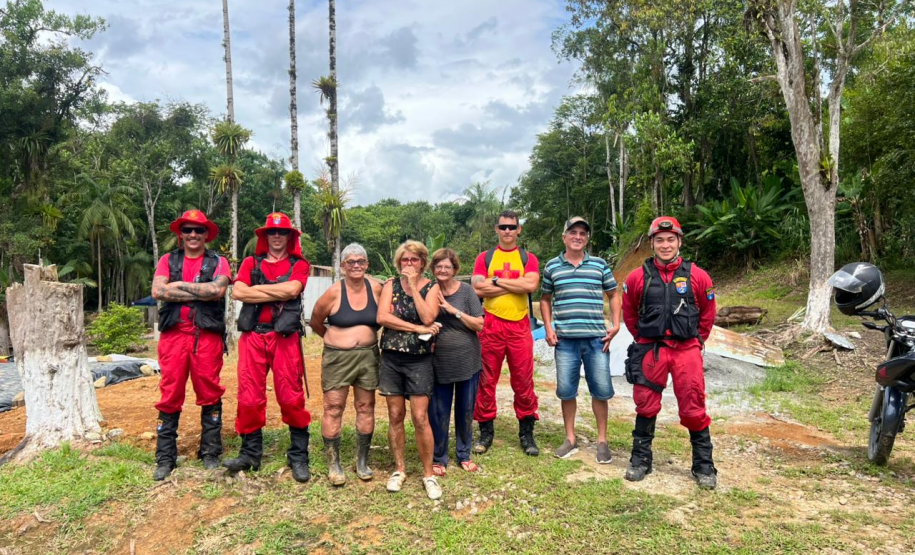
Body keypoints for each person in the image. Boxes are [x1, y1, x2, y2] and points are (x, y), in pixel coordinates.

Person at [621, 216, 718, 489]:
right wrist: (641, 338)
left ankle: (703, 465)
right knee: (645, 403)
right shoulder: (637, 277)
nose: (665, 245)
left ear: (679, 242)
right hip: (651, 349)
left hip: (686, 349)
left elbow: (708, 313)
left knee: (693, 406)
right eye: (660, 240)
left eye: (671, 240)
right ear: (652, 243)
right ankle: (641, 459)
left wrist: (697, 340)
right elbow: (629, 312)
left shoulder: (698, 276)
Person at [223, 212, 312, 483]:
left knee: (291, 396)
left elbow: (292, 291)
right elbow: (238, 292)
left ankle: (298, 455)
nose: (276, 236)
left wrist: (258, 291)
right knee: (249, 396)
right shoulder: (250, 262)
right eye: (271, 232)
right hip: (253, 337)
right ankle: (250, 454)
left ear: (289, 237)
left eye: (282, 232)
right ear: (265, 236)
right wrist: (277, 290)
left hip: (285, 338)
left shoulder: (299, 264)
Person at [150, 209, 231, 481]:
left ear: (207, 234)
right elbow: (158, 291)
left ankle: (210, 452)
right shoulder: (167, 260)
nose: (193, 234)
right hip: (174, 336)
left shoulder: (218, 262)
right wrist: (199, 291)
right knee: (170, 392)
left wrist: (179, 286)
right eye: (187, 230)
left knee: (210, 390)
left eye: (199, 230)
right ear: (180, 234)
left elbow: (216, 291)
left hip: (206, 336)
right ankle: (165, 457)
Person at [540, 217, 621, 463]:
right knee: (567, 392)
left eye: (582, 233)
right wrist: (548, 327)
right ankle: (570, 438)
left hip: (597, 340)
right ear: (564, 237)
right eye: (573, 232)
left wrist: (616, 324)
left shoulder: (599, 265)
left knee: (601, 391)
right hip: (565, 341)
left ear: (587, 238)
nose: (578, 237)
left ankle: (602, 441)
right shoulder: (552, 267)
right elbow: (545, 299)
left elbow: (613, 294)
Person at [309, 243, 383, 486]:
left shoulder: (376, 288)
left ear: (367, 264)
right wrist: (336, 339)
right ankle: (334, 463)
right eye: (351, 262)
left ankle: (362, 460)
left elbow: (386, 314)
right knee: (334, 407)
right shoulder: (334, 292)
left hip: (368, 356)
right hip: (338, 358)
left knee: (366, 406)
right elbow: (316, 320)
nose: (356, 265)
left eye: (360, 261)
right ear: (342, 266)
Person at [376, 241, 443, 500]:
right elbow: (383, 317)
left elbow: (428, 317)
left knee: (419, 417)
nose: (409, 264)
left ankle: (428, 474)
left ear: (423, 263)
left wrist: (414, 287)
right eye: (405, 260)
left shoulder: (430, 287)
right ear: (398, 262)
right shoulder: (390, 285)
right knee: (395, 414)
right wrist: (416, 329)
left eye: (414, 260)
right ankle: (399, 469)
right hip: (391, 357)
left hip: (419, 359)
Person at [472, 210, 541, 456]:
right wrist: (515, 286)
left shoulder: (528, 258)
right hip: (490, 324)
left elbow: (531, 285)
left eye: (512, 227)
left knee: (523, 380)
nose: (508, 231)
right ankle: (486, 432)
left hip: (519, 325)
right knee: (486, 380)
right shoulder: (485, 257)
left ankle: (527, 432)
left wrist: (496, 281)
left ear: (519, 229)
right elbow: (477, 289)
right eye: (503, 227)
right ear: (497, 229)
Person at [428, 248, 485, 476]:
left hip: (467, 360)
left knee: (465, 409)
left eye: (447, 266)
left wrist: (454, 311)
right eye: (439, 266)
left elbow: (479, 324)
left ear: (454, 270)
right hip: (439, 362)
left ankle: (464, 454)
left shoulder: (466, 291)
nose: (443, 270)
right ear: (433, 269)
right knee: (438, 411)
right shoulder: (428, 291)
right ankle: (438, 457)